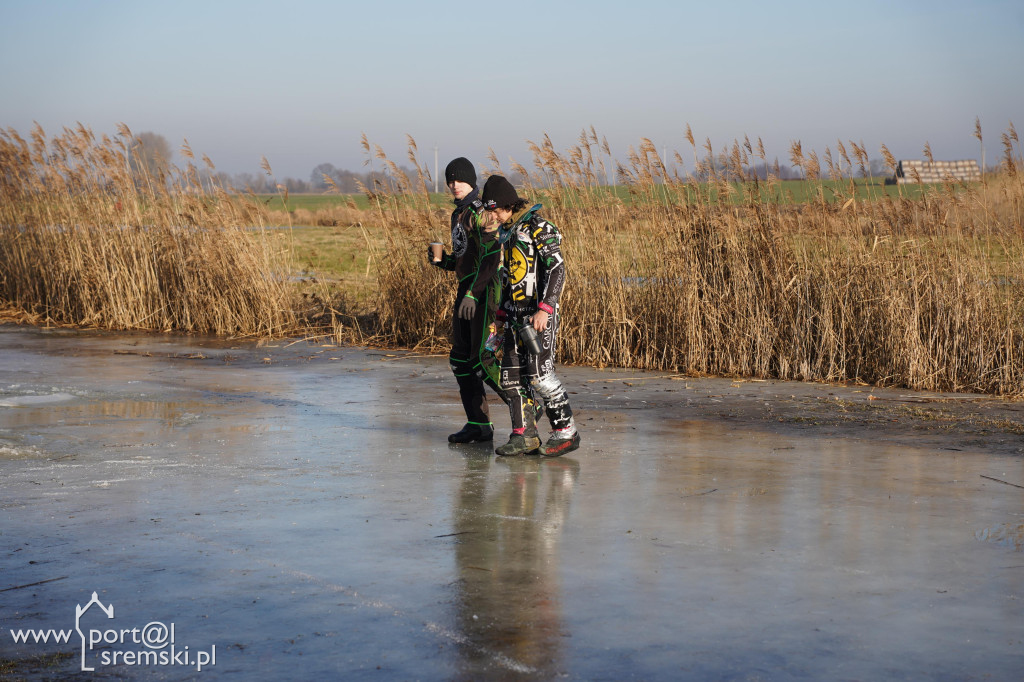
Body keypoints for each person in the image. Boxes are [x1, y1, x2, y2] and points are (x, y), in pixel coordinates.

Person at [481, 175, 581, 457]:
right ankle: (524, 435)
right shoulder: (508, 232)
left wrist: (545, 308)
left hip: (538, 317)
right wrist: (500, 315)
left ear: (509, 205)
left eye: (497, 211)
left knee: (539, 375)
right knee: (511, 376)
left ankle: (566, 431)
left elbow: (557, 269)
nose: (495, 217)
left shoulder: (538, 226)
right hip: (513, 318)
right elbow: (509, 276)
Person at [429, 157, 506, 443]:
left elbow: (491, 256)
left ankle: (527, 409)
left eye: (459, 180)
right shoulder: (458, 214)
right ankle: (478, 424)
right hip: (467, 289)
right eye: (450, 180)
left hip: (484, 290)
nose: (454, 185)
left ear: (471, 181)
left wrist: (474, 292)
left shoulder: (480, 212)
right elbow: (465, 260)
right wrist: (443, 262)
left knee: (482, 359)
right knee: (460, 359)